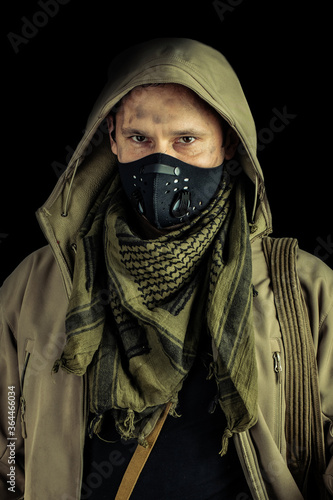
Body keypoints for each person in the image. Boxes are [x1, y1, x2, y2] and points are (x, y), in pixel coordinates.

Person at [0, 37, 332, 500]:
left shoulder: (303, 287)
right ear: (112, 137)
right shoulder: (36, 284)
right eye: (140, 139)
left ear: (229, 144)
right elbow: (7, 442)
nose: (162, 164)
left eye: (186, 140)